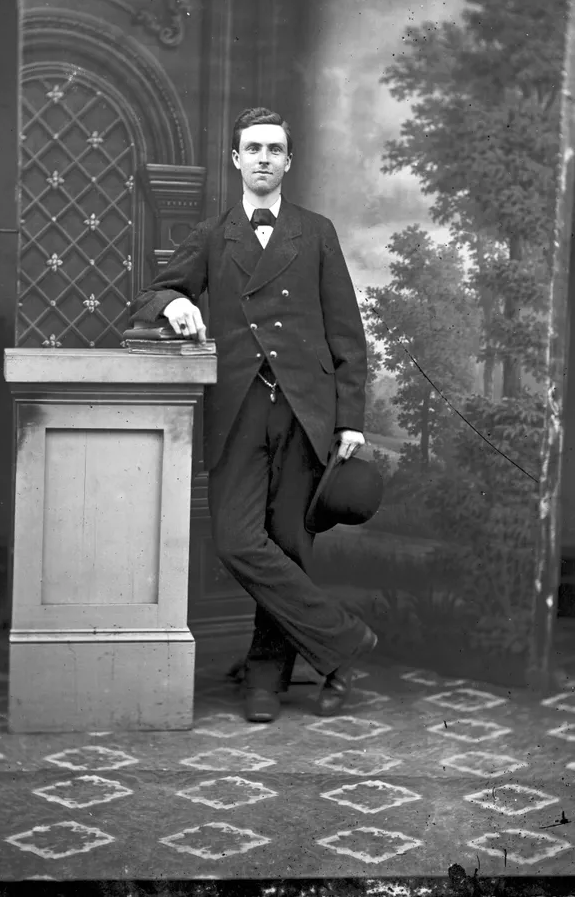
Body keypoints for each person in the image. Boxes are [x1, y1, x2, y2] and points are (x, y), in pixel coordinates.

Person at [130, 107, 377, 723]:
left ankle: (266, 678)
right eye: (253, 148)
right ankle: (344, 641)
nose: (264, 158)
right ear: (236, 160)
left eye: (275, 149)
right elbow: (152, 292)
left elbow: (347, 333)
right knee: (237, 540)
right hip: (238, 409)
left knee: (289, 545)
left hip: (306, 412)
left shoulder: (316, 232)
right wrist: (175, 304)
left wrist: (350, 419)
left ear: (288, 161)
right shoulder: (214, 234)